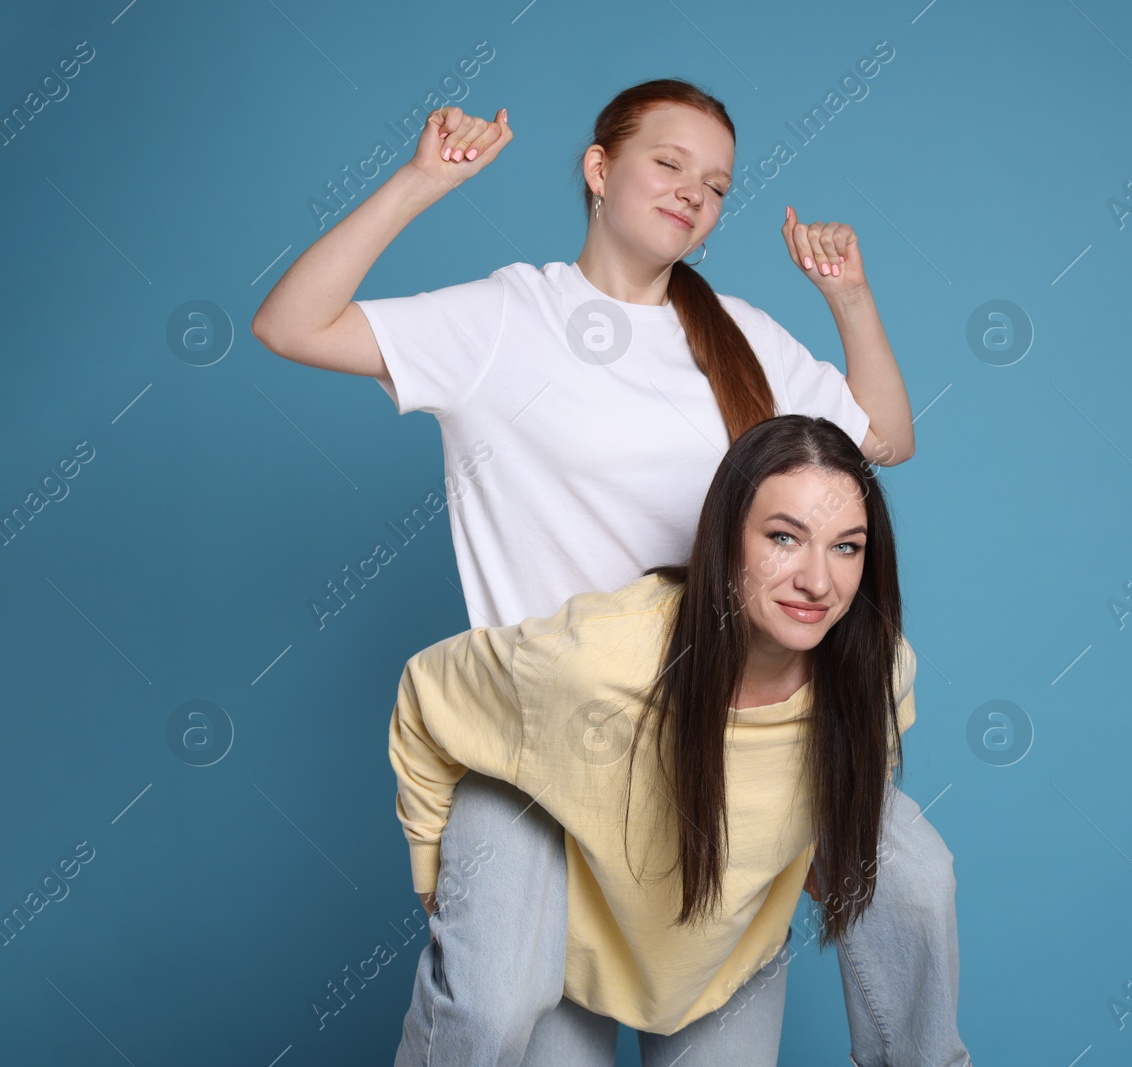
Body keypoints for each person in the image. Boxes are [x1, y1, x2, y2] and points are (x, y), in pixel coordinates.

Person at [252, 77, 966, 1066]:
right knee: (502, 1022)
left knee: (911, 874)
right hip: (546, 748)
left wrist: (848, 297)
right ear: (599, 169)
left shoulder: (743, 337)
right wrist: (418, 183)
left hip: (723, 751)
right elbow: (290, 324)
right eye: (667, 163)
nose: (691, 193)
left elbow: (883, 435)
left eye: (714, 185)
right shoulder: (509, 318)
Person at [392, 415, 912, 1063]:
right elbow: (426, 688)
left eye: (846, 546)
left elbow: (874, 760)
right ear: (728, 539)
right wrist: (428, 862)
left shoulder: (876, 667)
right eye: (785, 537)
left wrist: (818, 841)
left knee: (918, 870)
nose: (817, 581)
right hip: (570, 925)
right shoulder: (601, 659)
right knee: (490, 1009)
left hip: (713, 956)